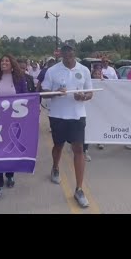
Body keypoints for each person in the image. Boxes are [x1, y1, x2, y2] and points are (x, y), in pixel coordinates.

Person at [41, 43, 93, 208]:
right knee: (58, 146)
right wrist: (57, 92)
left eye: (70, 51)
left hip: (77, 116)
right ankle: (55, 167)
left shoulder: (84, 70)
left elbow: (90, 92)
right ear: (61, 54)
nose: (68, 54)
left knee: (79, 149)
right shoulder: (52, 71)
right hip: (58, 116)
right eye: (65, 52)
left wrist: (83, 97)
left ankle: (79, 189)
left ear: (74, 52)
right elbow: (44, 92)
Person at [0, 54, 28, 199]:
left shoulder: (19, 79)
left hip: (14, 121)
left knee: (11, 150)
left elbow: (26, 98)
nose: (4, 62)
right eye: (2, 61)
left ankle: (10, 174)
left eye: (7, 60)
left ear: (12, 64)